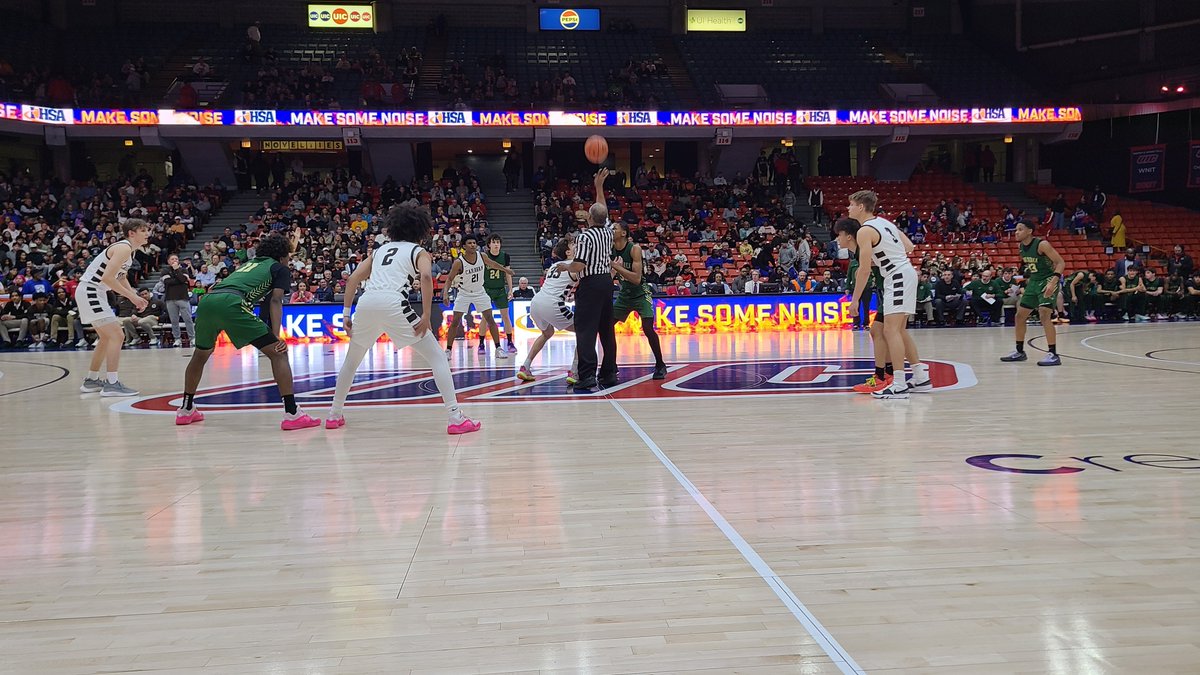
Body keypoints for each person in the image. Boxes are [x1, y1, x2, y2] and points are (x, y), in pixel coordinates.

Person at [326, 206, 480, 434]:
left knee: (352, 360)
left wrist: (346, 314)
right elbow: (427, 276)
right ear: (421, 229)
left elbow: (353, 279)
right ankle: (455, 417)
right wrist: (427, 314)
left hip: (367, 303)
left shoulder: (379, 251)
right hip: (393, 303)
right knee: (437, 357)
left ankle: (334, 415)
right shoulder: (418, 251)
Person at [175, 232, 320, 430]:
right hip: (232, 302)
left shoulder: (251, 263)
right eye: (288, 255)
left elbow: (270, 280)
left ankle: (186, 409)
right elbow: (276, 300)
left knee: (200, 355)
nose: (289, 259)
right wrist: (277, 336)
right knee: (279, 354)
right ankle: (292, 413)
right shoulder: (279, 268)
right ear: (282, 256)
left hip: (208, 301)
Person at [843, 191, 930, 399]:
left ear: (861, 207)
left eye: (851, 205)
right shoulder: (885, 223)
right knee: (898, 330)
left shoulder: (865, 231)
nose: (848, 209)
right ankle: (920, 376)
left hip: (897, 277)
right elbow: (909, 246)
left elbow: (863, 270)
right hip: (904, 273)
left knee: (891, 330)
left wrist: (855, 300)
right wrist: (883, 256)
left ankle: (899, 383)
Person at [76, 219, 150, 396]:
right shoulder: (123, 248)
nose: (147, 233)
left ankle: (91, 380)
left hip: (95, 291)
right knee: (117, 334)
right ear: (132, 233)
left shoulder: (129, 252)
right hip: (91, 290)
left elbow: (121, 277)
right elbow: (108, 278)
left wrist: (134, 296)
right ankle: (112, 383)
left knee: (106, 338)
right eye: (143, 230)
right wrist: (132, 296)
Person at [559, 168, 618, 392]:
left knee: (585, 331)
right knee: (606, 331)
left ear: (589, 218)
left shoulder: (585, 236)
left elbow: (579, 265)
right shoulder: (609, 231)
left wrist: (564, 266)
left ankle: (587, 376)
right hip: (606, 283)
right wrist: (599, 187)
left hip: (590, 283)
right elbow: (602, 210)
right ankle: (609, 373)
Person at [834, 217, 894, 394]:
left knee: (889, 333)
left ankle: (885, 376)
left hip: (892, 288)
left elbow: (865, 271)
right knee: (879, 331)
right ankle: (887, 374)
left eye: (839, 235)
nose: (838, 239)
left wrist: (855, 300)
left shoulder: (863, 249)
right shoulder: (859, 251)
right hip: (887, 289)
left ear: (849, 236)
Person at [1001, 219, 1067, 366]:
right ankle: (1019, 351)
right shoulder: (1021, 247)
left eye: (1019, 229)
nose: (1016, 232)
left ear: (1029, 231)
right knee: (1019, 316)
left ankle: (1053, 354)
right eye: (1016, 230)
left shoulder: (1042, 244)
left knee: (1044, 314)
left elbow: (1061, 263)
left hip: (1048, 280)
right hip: (1034, 281)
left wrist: (1053, 282)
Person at [517, 238, 579, 383]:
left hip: (537, 302)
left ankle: (525, 366)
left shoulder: (554, 265)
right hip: (552, 304)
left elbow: (559, 285)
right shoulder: (574, 266)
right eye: (573, 246)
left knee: (547, 333)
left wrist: (568, 296)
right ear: (568, 252)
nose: (577, 247)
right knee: (584, 331)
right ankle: (574, 371)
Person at [610, 221, 667, 379]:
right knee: (606, 327)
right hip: (624, 295)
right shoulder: (610, 249)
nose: (611, 230)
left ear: (623, 233)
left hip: (641, 293)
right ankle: (611, 365)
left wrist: (617, 267)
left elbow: (636, 279)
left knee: (648, 328)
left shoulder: (634, 248)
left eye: (615, 228)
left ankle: (660, 364)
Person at [444, 235, 513, 360]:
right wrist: (445, 293)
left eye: (474, 243)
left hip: (480, 292)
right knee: (455, 321)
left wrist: (506, 270)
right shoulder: (459, 262)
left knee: (490, 319)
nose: (472, 245)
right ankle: (448, 350)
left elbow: (493, 264)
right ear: (464, 246)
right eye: (469, 243)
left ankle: (498, 348)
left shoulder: (482, 256)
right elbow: (449, 279)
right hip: (464, 292)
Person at [482, 234, 518, 353]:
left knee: (506, 316)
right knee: (484, 318)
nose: (496, 244)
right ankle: (481, 344)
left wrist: (511, 289)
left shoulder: (505, 256)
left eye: (498, 242)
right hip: (486, 289)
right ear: (489, 244)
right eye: (494, 242)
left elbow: (508, 273)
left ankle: (510, 342)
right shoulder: (484, 256)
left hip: (500, 289)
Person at [161, 254, 195, 347]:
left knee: (188, 319)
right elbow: (167, 282)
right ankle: (177, 339)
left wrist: (176, 270)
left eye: (176, 259)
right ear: (168, 261)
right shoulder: (165, 270)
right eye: (172, 259)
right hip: (170, 298)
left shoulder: (183, 270)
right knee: (174, 320)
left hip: (183, 297)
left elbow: (183, 279)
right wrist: (179, 280)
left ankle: (192, 338)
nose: (175, 260)